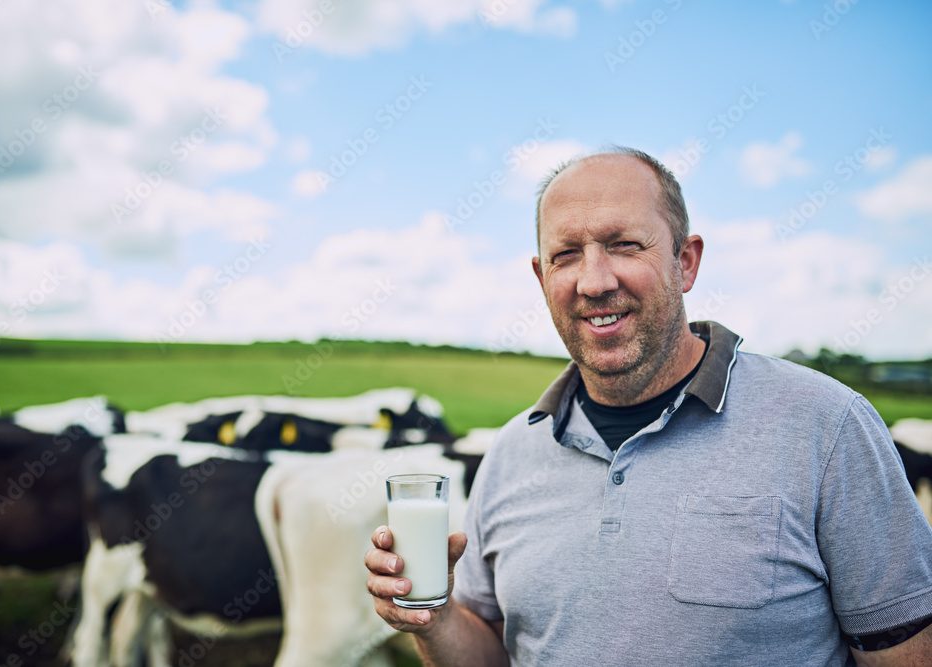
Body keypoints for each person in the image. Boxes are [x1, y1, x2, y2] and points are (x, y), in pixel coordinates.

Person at [365, 147, 932, 665]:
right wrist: (434, 621)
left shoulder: (826, 426)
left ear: (686, 262)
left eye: (624, 245)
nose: (593, 281)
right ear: (542, 278)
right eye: (566, 255)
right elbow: (492, 654)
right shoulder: (511, 452)